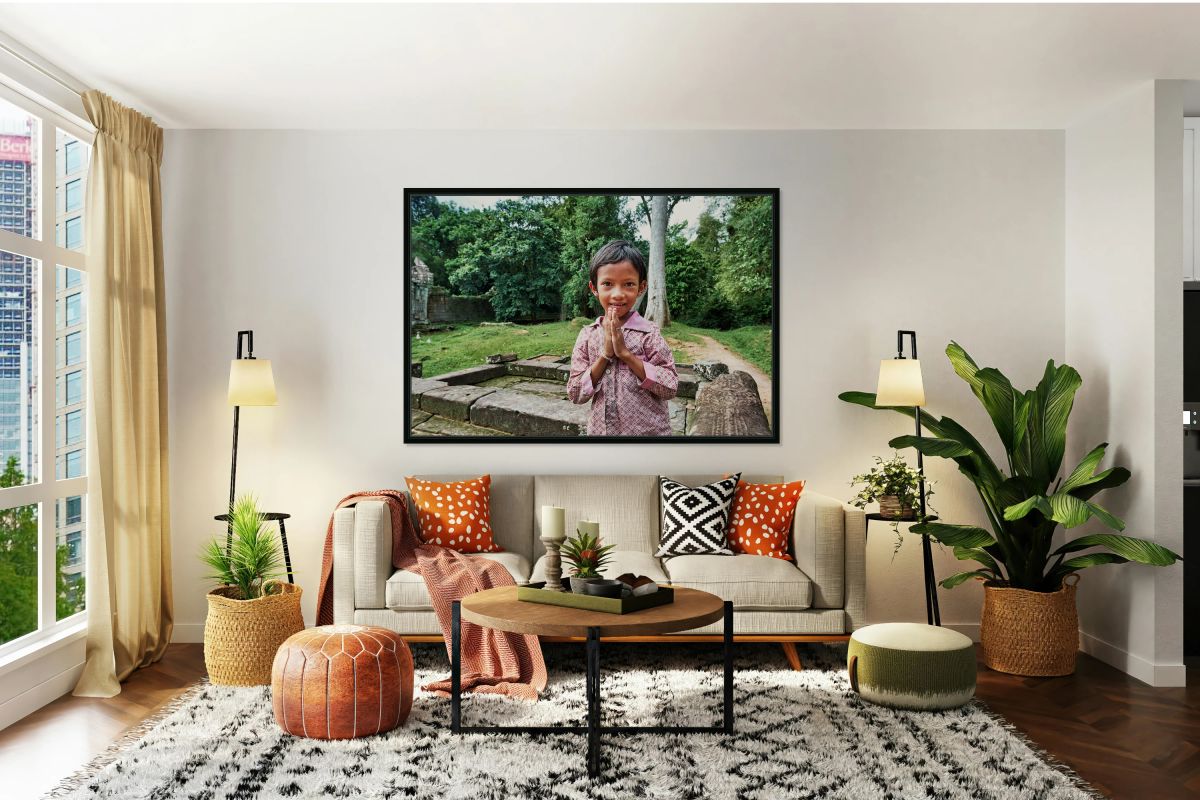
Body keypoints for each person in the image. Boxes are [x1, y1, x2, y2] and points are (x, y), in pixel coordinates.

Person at [566, 240, 678, 436]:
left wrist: (626, 354)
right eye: (608, 284)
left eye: (628, 284)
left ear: (641, 287)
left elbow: (670, 387)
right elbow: (575, 393)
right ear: (594, 287)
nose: (618, 294)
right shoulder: (587, 335)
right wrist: (605, 355)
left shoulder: (649, 334)